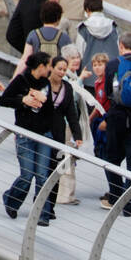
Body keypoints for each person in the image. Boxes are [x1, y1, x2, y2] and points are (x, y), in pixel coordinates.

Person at [0, 51, 62, 227]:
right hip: (25, 135)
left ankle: (42, 213)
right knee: (27, 175)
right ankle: (10, 199)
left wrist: (45, 100)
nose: (50, 69)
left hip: (43, 135)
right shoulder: (21, 80)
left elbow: (50, 111)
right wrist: (23, 100)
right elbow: (3, 100)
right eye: (48, 65)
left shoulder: (46, 83)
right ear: (41, 66)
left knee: (42, 176)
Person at [100, 31, 131, 217]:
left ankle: (116, 196)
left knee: (112, 158)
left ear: (120, 45)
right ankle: (129, 205)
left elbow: (107, 92)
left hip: (117, 118)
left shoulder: (113, 64)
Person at [55, 44, 101, 206]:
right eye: (72, 58)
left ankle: (63, 193)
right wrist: (81, 79)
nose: (76, 60)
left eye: (77, 57)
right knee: (67, 159)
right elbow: (71, 96)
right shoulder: (67, 77)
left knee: (68, 159)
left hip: (72, 123)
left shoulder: (72, 75)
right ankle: (64, 196)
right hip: (66, 124)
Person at [42, 54, 85, 206]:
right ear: (51, 68)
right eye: (59, 68)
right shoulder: (43, 84)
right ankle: (40, 199)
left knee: (56, 166)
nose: (61, 72)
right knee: (42, 167)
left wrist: (77, 135)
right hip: (42, 130)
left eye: (64, 70)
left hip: (59, 132)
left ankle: (49, 205)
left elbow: (71, 114)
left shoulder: (67, 88)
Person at [15, 0, 69, 76]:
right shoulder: (64, 37)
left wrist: (14, 77)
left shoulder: (33, 34)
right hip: (55, 77)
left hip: (37, 77)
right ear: (58, 18)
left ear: (41, 16)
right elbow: (68, 61)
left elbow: (25, 59)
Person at [72, 0, 118, 66]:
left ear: (87, 9)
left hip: (88, 72)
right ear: (101, 8)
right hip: (110, 72)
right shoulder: (112, 26)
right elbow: (117, 49)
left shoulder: (83, 28)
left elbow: (79, 53)